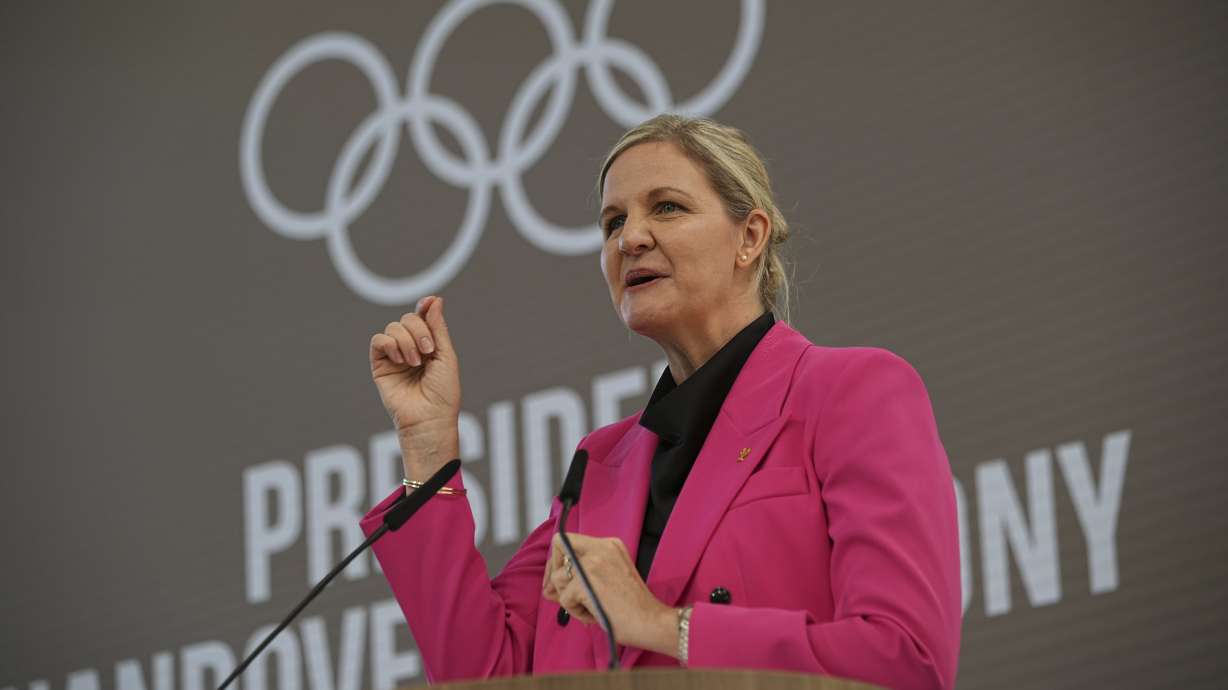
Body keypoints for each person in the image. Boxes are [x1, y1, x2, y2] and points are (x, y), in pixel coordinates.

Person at [360, 114, 961, 689]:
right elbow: (485, 679)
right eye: (612, 223)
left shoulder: (850, 392)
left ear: (749, 237)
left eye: (667, 207)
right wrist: (428, 444)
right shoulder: (600, 465)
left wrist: (664, 626)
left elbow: (904, 659)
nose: (631, 238)